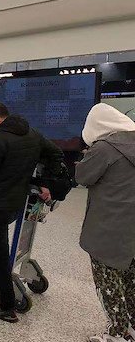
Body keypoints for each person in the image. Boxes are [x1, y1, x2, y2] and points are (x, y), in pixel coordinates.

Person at [0, 102, 63, 323]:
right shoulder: (33, 135)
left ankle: (6, 307)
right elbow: (56, 154)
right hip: (15, 203)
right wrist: (43, 181)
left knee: (0, 255)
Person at [75, 103, 135, 342]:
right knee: (131, 279)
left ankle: (118, 334)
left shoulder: (105, 148)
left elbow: (83, 177)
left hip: (108, 227)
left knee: (108, 282)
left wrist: (87, 159)